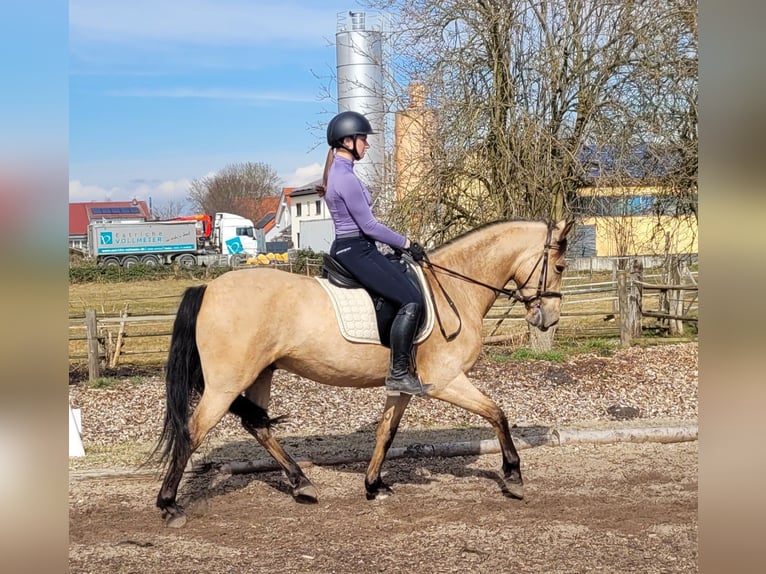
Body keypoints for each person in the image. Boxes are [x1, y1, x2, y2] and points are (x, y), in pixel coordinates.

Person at [319, 110, 431, 396]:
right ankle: (397, 374)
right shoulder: (345, 178)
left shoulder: (341, 174)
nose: (366, 145)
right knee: (411, 299)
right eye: (363, 139)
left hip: (355, 247)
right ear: (347, 141)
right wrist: (406, 243)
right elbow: (369, 226)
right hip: (356, 249)